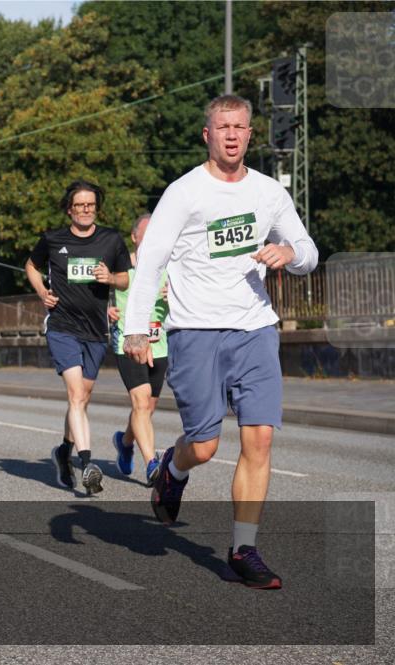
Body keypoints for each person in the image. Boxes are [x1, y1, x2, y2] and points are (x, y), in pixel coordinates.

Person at [124, 95, 318, 589]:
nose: (232, 135)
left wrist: (289, 251)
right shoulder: (185, 193)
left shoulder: (270, 192)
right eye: (222, 127)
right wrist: (136, 327)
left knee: (260, 437)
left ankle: (243, 548)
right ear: (206, 135)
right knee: (206, 445)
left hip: (254, 327)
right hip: (195, 331)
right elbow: (150, 262)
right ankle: (173, 468)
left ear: (251, 134)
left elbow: (310, 253)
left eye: (240, 127)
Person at [25, 180, 131, 495]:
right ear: (69, 209)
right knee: (75, 396)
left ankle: (63, 451)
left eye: (90, 205)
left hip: (96, 331)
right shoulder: (53, 239)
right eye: (79, 205)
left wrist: (111, 277)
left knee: (82, 398)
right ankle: (86, 464)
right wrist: (43, 292)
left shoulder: (111, 239)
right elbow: (31, 266)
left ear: (96, 207)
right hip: (62, 327)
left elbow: (125, 279)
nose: (85, 210)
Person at [107, 213, 168, 486]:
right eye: (146, 232)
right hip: (128, 343)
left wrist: (177, 294)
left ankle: (125, 441)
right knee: (141, 403)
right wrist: (104, 310)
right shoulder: (121, 269)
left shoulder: (170, 265)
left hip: (160, 343)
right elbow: (97, 292)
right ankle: (152, 463)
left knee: (147, 408)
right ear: (134, 237)